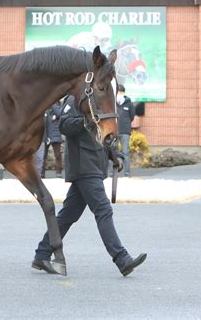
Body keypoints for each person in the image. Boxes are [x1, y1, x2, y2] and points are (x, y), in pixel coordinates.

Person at [32, 95, 147, 277]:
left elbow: (101, 132)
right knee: (103, 210)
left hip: (93, 164)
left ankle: (42, 254)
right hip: (84, 165)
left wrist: (113, 154)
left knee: (68, 215)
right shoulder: (75, 99)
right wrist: (88, 120)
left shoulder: (96, 100)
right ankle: (121, 258)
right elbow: (64, 125)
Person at [116, 84, 135, 176]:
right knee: (113, 152)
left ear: (124, 93)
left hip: (125, 132)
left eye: (121, 92)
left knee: (125, 152)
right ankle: (113, 172)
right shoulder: (112, 103)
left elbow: (132, 116)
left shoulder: (129, 103)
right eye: (118, 92)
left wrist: (126, 123)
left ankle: (127, 172)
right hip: (114, 131)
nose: (119, 94)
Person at [42, 102, 63, 178]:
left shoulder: (58, 106)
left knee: (58, 155)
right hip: (46, 135)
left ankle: (59, 173)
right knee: (43, 156)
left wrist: (52, 104)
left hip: (55, 134)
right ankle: (42, 173)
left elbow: (60, 114)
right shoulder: (45, 106)